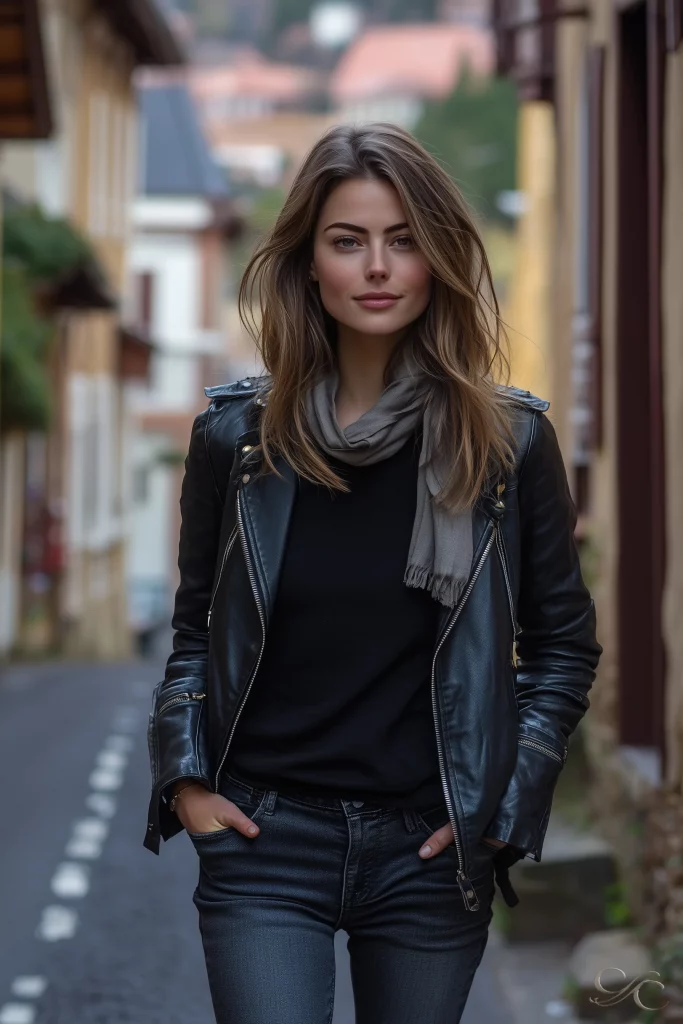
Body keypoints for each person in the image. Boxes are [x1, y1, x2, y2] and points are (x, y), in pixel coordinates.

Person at [143, 122, 602, 1024]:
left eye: (403, 241)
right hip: (264, 842)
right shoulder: (237, 441)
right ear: (308, 264)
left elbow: (561, 648)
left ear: (435, 260)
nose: (378, 267)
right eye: (348, 242)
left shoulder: (507, 445)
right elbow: (196, 630)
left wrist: (505, 807)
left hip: (428, 852)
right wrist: (187, 782)